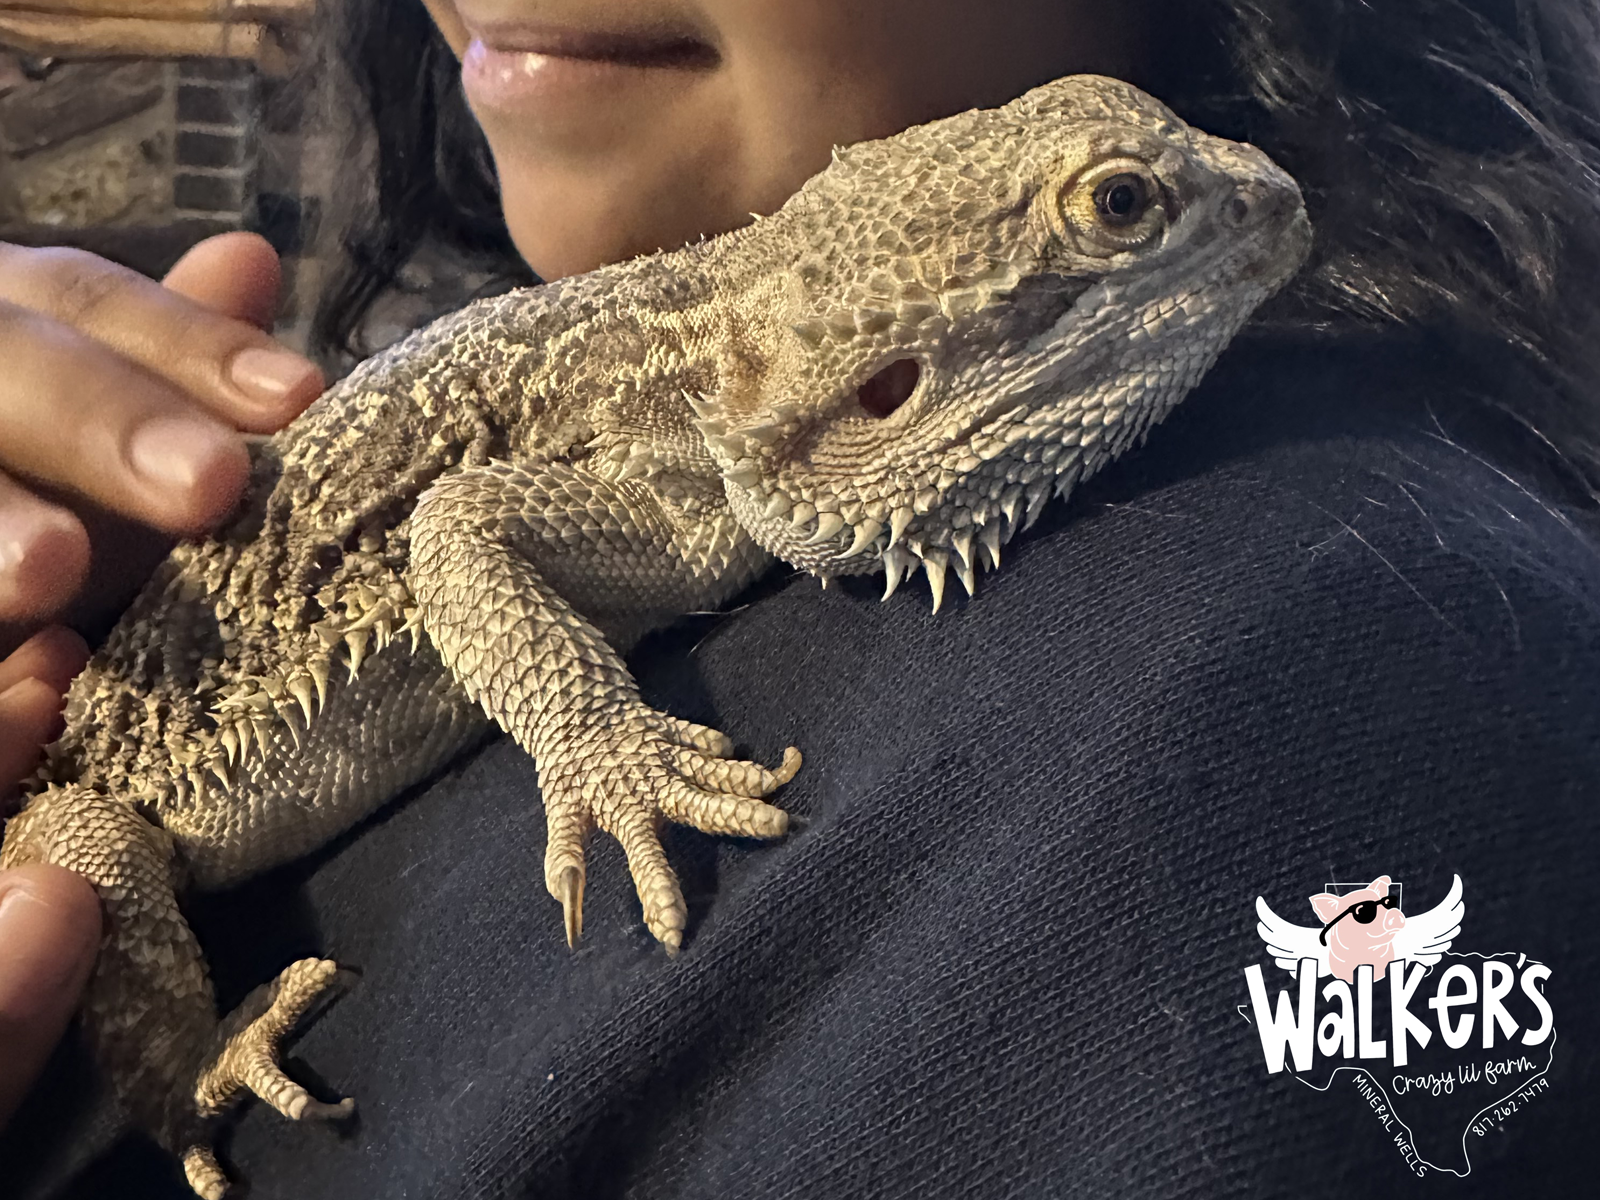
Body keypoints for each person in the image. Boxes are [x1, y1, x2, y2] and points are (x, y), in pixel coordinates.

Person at [1, 1, 1598, 1195]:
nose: (1239, 196)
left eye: (1116, 200)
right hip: (127, 796)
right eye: (1116, 209)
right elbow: (461, 526)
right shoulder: (684, 405)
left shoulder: (1362, 658)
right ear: (889, 373)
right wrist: (591, 734)